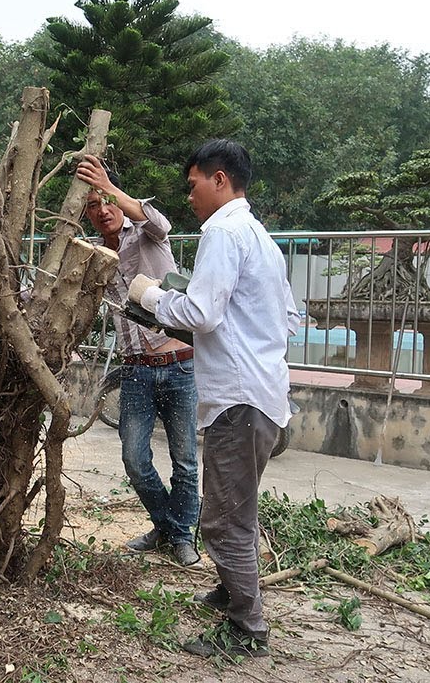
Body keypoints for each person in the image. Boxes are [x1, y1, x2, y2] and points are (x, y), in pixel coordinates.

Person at [129, 139, 300, 658]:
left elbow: (201, 314)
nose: (191, 196)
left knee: (224, 519)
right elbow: (287, 317)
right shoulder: (258, 236)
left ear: (219, 179)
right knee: (238, 508)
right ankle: (232, 592)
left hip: (238, 402)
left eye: (194, 184)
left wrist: (150, 295)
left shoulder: (223, 233)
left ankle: (247, 631)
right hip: (263, 394)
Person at [75, 154, 201, 569]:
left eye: (105, 201)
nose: (102, 211)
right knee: (134, 457)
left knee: (184, 461)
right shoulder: (92, 254)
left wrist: (110, 187)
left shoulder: (148, 235)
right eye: (92, 206)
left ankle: (178, 536)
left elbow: (160, 222)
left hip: (179, 362)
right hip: (135, 369)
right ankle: (169, 527)